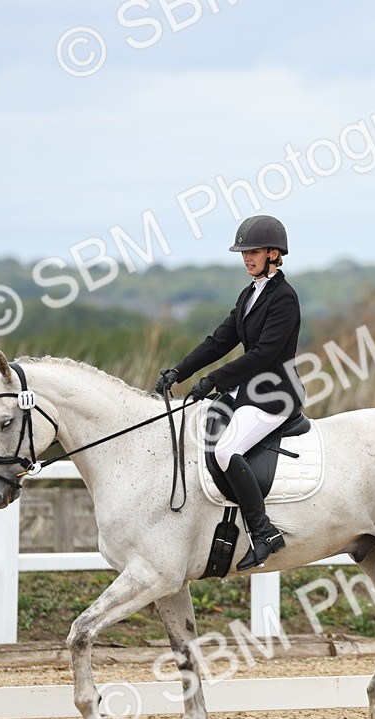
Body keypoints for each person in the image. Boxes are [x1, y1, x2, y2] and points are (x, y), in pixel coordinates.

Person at [153, 215, 305, 571]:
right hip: (247, 390)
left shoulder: (284, 298)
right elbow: (219, 341)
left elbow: (264, 354)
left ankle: (264, 532)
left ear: (273, 254)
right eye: (243, 253)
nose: (246, 258)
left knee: (225, 450)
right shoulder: (250, 293)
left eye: (253, 252)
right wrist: (180, 371)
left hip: (275, 395)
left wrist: (215, 379)